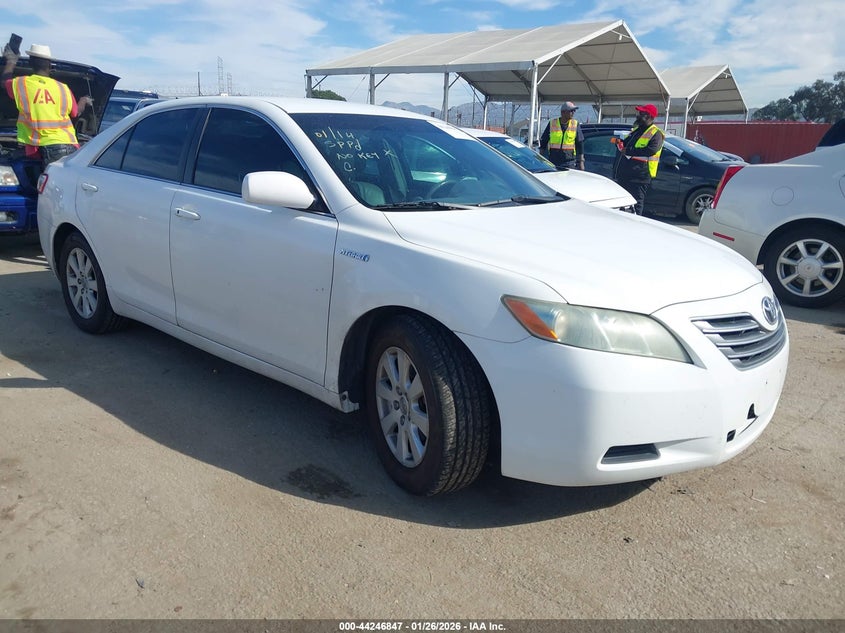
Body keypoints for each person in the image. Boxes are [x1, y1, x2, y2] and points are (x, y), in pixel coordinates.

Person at [2, 43, 92, 168]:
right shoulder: (63, 88)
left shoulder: (21, 84)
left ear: (30, 63)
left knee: (50, 186)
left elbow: (4, 81)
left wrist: (11, 60)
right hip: (68, 145)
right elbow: (76, 113)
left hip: (46, 147)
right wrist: (83, 100)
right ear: (50, 65)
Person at [613, 104, 665, 216]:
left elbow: (651, 150)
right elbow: (626, 143)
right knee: (622, 203)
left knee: (636, 203)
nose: (638, 116)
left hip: (640, 176)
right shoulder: (637, 130)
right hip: (626, 173)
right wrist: (619, 143)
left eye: (642, 114)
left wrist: (629, 150)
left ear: (649, 116)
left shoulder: (656, 133)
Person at [539, 101, 585, 170]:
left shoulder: (575, 124)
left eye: (574, 111)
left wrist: (581, 162)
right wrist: (540, 159)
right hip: (554, 160)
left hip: (569, 162)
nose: (573, 113)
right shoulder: (552, 123)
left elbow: (580, 144)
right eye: (571, 111)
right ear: (563, 112)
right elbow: (544, 141)